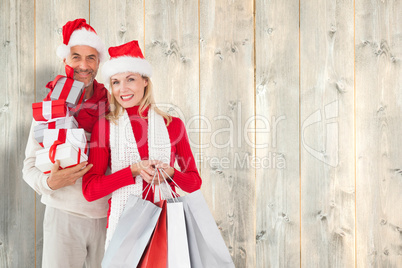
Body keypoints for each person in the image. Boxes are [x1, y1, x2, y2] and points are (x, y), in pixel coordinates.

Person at [82, 40, 202, 248]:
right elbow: (90, 190)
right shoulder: (105, 127)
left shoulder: (173, 125)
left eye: (130, 79)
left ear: (145, 81)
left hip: (167, 224)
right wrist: (133, 171)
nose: (123, 89)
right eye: (116, 82)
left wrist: (171, 173)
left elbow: (194, 182)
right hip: (125, 226)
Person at [22, 18, 110, 268]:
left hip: (109, 217)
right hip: (63, 216)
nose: (84, 65)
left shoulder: (113, 105)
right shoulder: (49, 107)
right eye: (76, 57)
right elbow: (29, 166)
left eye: (91, 57)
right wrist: (49, 183)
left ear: (99, 62)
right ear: (66, 61)